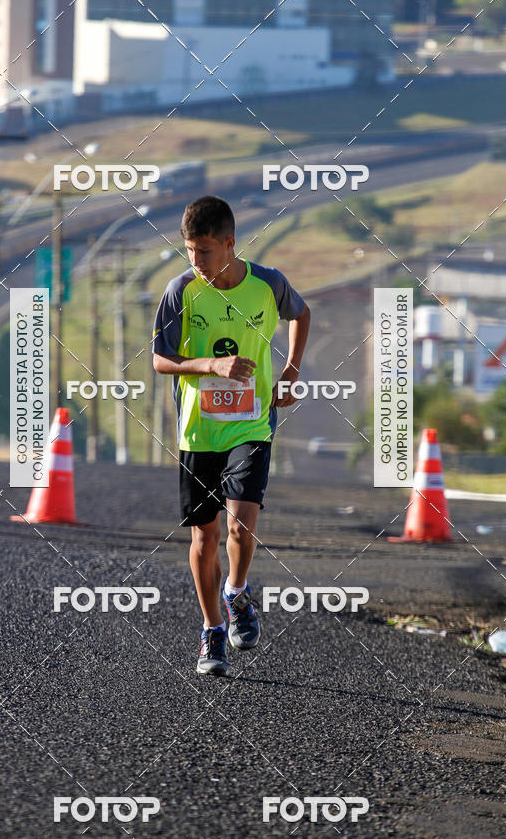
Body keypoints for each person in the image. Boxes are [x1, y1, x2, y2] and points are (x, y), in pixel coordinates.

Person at [152, 196, 310, 676]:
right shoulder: (180, 291)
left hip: (252, 424)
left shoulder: (268, 284)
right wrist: (209, 365)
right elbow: (161, 360)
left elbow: (302, 315)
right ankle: (212, 630)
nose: (195, 261)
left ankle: (237, 591)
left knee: (240, 524)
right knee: (206, 535)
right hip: (198, 430)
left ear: (229, 244)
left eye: (203, 250)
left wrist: (291, 369)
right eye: (188, 250)